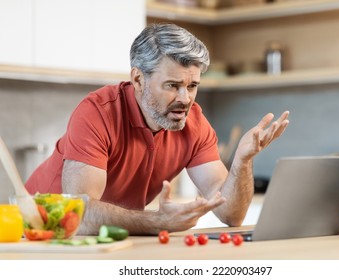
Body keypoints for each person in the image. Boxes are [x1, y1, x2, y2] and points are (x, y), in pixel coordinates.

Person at [25, 23, 290, 235]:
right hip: (40, 231)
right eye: (172, 85)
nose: (185, 99)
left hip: (110, 238)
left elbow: (232, 214)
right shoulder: (97, 112)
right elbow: (79, 214)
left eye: (192, 86)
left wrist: (242, 162)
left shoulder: (194, 123)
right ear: (138, 79)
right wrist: (158, 221)